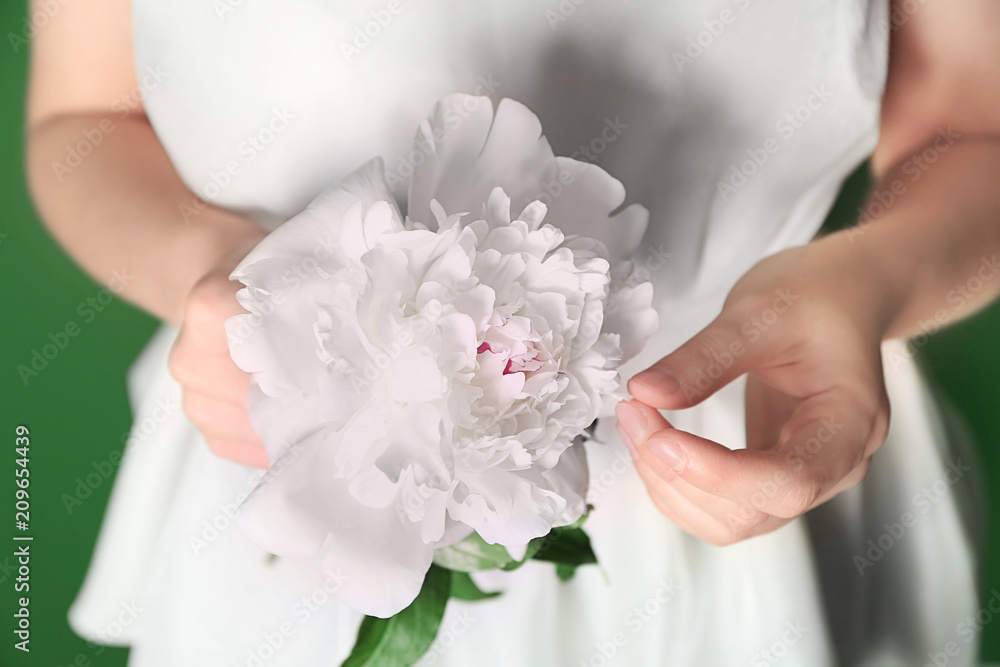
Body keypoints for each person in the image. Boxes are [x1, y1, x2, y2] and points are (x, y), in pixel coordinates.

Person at [25, 0, 1000, 664]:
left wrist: (869, 282)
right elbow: (82, 117)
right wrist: (226, 279)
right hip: (286, 489)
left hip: (740, 493)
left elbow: (974, 130)